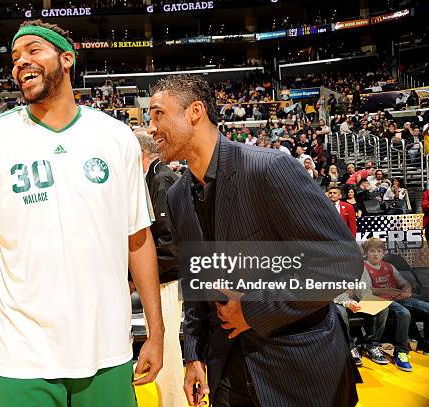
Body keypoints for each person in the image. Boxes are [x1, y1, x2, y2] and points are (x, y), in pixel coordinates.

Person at [0, 20, 163, 407]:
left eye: (33, 51)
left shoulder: (115, 137)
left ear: (66, 59)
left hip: (106, 349)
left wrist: (156, 331)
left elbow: (138, 237)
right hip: (21, 356)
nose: (20, 63)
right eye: (14, 58)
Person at [148, 74, 362, 407]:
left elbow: (340, 262)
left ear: (195, 111)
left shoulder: (270, 168)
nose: (151, 127)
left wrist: (253, 309)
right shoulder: (177, 196)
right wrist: (193, 355)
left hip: (299, 370)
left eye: (158, 113)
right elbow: (196, 284)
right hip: (227, 373)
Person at [135, 130, 186, 407]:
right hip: (162, 279)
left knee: (166, 350)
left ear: (139, 154)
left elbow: (170, 244)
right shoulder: (155, 178)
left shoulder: (162, 179)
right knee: (164, 350)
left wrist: (140, 276)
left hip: (168, 280)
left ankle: (174, 403)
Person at [364, 238, 429, 371]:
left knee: (427, 308)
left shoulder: (389, 266)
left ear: (383, 253)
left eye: (379, 251)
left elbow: (403, 283)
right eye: (372, 251)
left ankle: (425, 344)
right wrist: (391, 291)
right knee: (404, 313)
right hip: (382, 300)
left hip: (399, 297)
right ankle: (400, 351)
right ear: (366, 253)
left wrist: (407, 288)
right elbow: (368, 290)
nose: (376, 254)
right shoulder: (363, 267)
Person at [333, 267, 389, 367]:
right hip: (337, 301)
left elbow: (365, 288)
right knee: (340, 311)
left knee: (383, 308)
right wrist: (348, 301)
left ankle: (371, 345)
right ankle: (349, 347)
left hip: (356, 300)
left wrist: (366, 298)